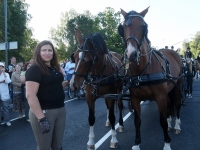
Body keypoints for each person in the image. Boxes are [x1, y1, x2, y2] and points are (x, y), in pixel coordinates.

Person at [25, 40, 68, 150]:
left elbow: (53, 87)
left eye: (50, 50)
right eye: (44, 50)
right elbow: (30, 95)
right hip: (44, 113)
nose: (47, 53)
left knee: (57, 146)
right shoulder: (35, 69)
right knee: (44, 147)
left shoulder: (54, 68)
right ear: (38, 52)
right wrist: (41, 118)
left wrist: (68, 83)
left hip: (60, 110)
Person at [0, 62, 12, 126]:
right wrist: (2, 81)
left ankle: (7, 120)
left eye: (1, 67)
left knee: (5, 108)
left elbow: (8, 81)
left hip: (4, 94)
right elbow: (4, 81)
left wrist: (4, 74)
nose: (0, 68)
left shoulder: (6, 74)